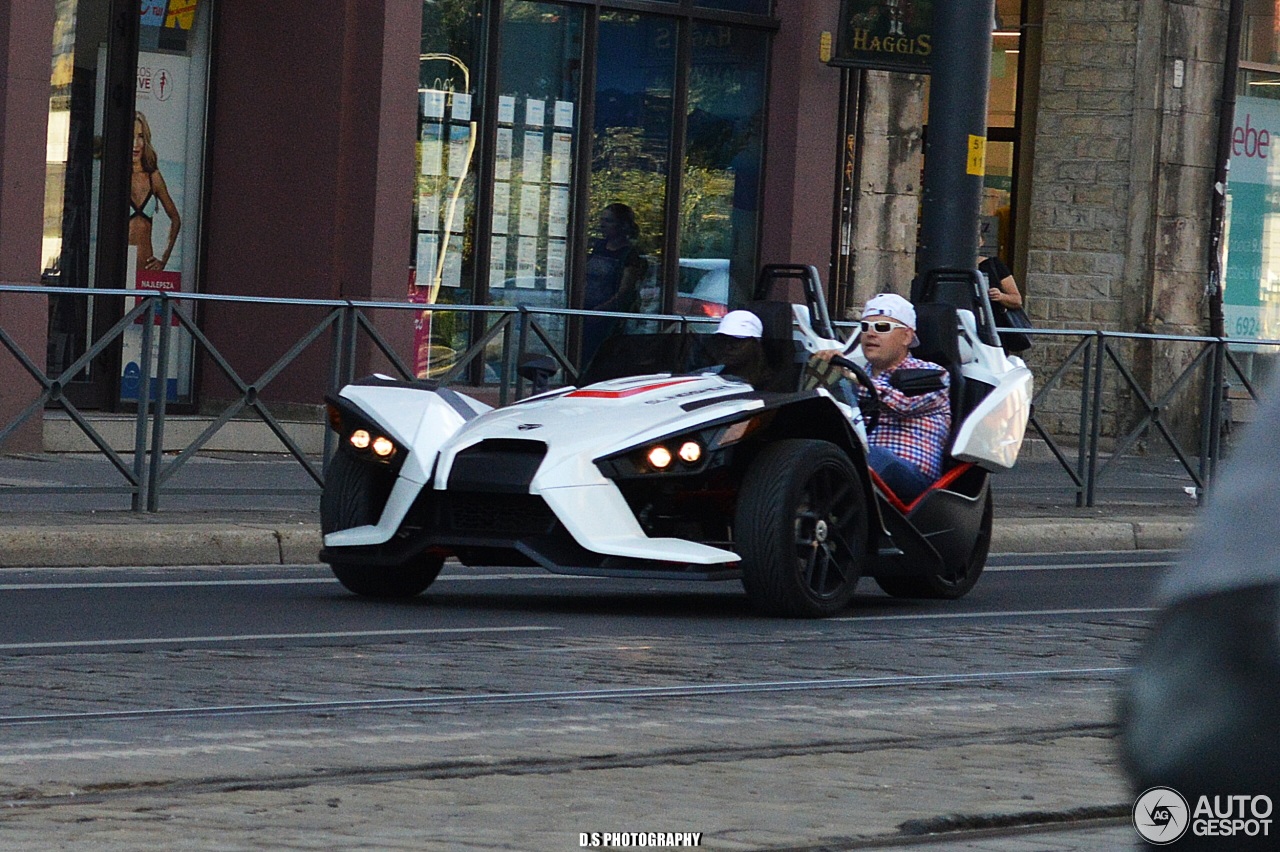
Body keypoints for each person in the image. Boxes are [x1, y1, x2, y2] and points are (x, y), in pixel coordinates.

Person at [819, 293, 950, 503]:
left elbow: (903, 404)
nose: (870, 334)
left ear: (907, 336)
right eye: (865, 327)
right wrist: (824, 374)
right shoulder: (856, 373)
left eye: (881, 327)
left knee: (870, 458)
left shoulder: (933, 373)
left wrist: (851, 378)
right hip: (861, 466)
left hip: (911, 476)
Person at [582, 203, 647, 365]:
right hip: (586, 310)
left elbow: (625, 291)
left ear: (623, 225)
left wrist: (601, 310)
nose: (602, 225)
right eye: (601, 220)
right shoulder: (597, 247)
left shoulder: (629, 254)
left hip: (607, 317)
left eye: (609, 221)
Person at [129, 111, 181, 272]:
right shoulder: (116, 177)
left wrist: (164, 260)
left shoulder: (154, 177)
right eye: (132, 136)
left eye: (140, 136)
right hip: (119, 266)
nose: (136, 143)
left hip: (147, 266)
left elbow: (175, 220)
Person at [977, 238, 1027, 352]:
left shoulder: (994, 265)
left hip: (993, 327)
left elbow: (1016, 300)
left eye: (977, 238)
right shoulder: (953, 265)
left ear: (982, 242)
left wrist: (1000, 296)